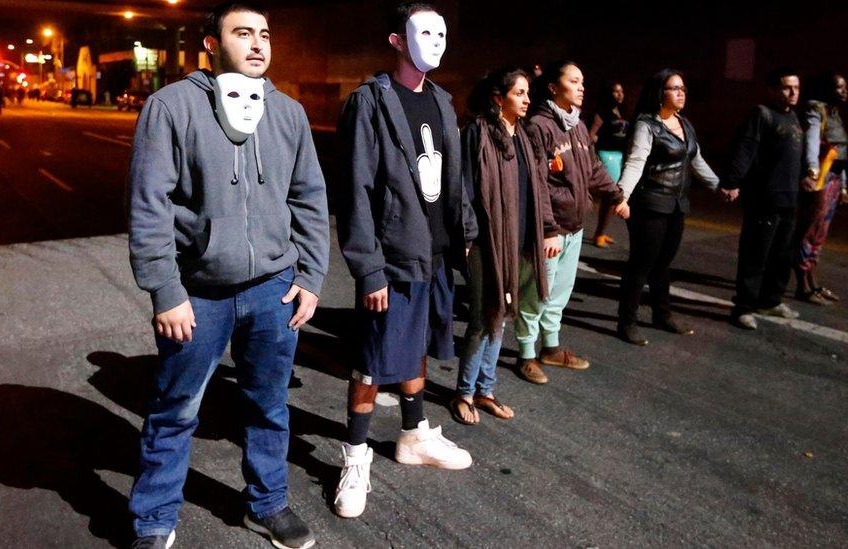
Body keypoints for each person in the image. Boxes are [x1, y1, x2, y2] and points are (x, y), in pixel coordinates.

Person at [126, 2, 329, 548]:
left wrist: (310, 276)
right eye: (243, 34)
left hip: (273, 289)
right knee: (176, 409)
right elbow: (150, 206)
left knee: (268, 405)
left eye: (265, 33)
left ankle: (267, 505)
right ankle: (154, 518)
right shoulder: (171, 107)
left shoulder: (288, 113)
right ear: (213, 45)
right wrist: (165, 291)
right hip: (198, 294)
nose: (259, 44)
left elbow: (309, 198)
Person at [334, 1, 477, 519]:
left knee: (415, 346)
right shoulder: (370, 101)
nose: (436, 41)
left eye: (442, 32)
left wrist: (463, 236)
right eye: (424, 31)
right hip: (391, 259)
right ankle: (354, 456)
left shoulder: (441, 100)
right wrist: (369, 267)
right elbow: (355, 190)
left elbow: (456, 178)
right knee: (371, 360)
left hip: (433, 254)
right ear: (397, 41)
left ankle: (413, 434)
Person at [452, 68, 561, 424]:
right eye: (519, 93)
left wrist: (544, 229)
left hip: (514, 241)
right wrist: (467, 236)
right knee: (483, 319)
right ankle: (464, 393)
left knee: (502, 317)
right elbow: (463, 187)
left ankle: (486, 390)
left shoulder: (523, 138)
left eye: (528, 93)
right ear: (499, 98)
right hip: (485, 243)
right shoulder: (477, 133)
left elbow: (537, 188)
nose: (527, 99)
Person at [514, 60, 629, 384]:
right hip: (550, 231)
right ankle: (525, 354)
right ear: (553, 87)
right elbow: (537, 184)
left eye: (583, 82)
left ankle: (550, 348)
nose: (582, 87)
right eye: (574, 81)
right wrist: (548, 230)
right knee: (535, 292)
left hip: (574, 227)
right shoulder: (539, 125)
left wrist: (616, 195)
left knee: (560, 292)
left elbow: (592, 168)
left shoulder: (576, 125)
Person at [615, 69, 726, 346]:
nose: (681, 93)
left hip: (677, 205)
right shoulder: (646, 125)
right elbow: (635, 161)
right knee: (641, 264)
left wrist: (718, 186)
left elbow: (695, 159)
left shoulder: (684, 124)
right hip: (650, 203)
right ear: (659, 93)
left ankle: (661, 314)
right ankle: (626, 321)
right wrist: (622, 195)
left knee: (663, 264)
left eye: (683, 89)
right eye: (674, 88)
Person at [723, 67, 804, 330]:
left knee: (782, 255)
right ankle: (743, 307)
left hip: (790, 198)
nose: (793, 93)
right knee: (756, 254)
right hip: (765, 198)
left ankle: (771, 300)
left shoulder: (794, 118)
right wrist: (733, 181)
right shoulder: (762, 114)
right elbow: (745, 148)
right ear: (772, 89)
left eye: (796, 88)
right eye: (786, 87)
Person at [793, 72, 848, 305]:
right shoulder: (814, 110)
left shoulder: (834, 113)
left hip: (834, 180)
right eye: (839, 87)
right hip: (820, 180)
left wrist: (844, 186)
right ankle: (802, 285)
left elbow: (839, 153)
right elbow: (812, 143)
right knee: (807, 232)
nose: (845, 91)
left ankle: (812, 281)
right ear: (826, 89)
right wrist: (811, 173)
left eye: (845, 87)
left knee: (820, 233)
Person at [589, 81, 630, 248]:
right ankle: (599, 234)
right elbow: (591, 135)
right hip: (607, 155)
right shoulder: (602, 112)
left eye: (621, 91)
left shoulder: (622, 111)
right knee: (611, 196)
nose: (619, 94)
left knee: (613, 197)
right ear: (608, 94)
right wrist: (598, 145)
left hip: (620, 156)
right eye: (615, 91)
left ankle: (601, 232)